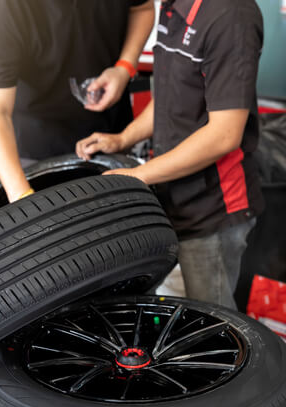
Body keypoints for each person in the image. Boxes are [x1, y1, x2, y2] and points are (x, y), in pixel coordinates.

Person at [76, 0, 264, 310]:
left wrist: (136, 176)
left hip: (213, 208)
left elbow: (225, 134)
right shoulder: (173, 7)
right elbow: (171, 94)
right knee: (178, 311)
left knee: (211, 323)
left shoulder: (231, 16)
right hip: (173, 195)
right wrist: (123, 138)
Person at [0, 0, 156, 202]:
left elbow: (142, 9)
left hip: (111, 134)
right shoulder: (2, 7)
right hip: (38, 145)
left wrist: (124, 66)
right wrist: (22, 196)